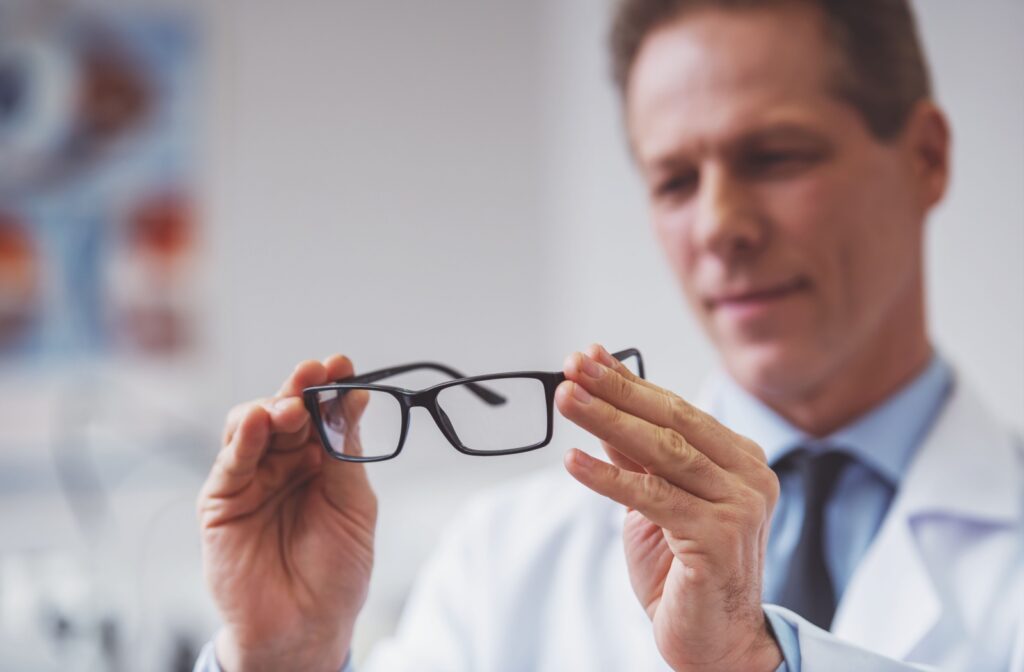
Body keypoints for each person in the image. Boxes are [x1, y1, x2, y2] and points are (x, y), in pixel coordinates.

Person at [193, 0, 1024, 670]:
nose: (720, 226)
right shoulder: (509, 563)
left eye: (775, 157)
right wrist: (286, 658)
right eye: (674, 180)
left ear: (926, 158)